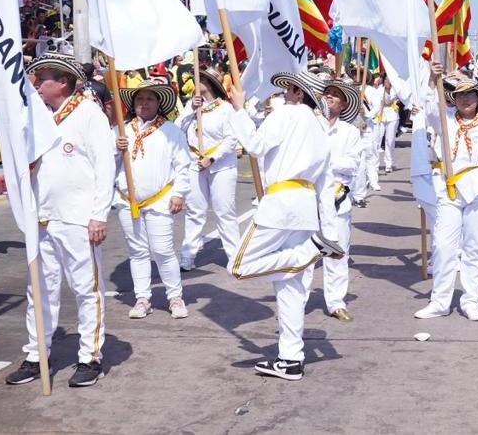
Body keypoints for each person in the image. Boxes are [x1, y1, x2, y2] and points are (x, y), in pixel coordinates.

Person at [6, 53, 115, 388]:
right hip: (41, 217)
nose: (37, 84)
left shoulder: (87, 112)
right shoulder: (35, 117)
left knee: (86, 288)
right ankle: (37, 353)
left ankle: (89, 357)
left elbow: (105, 164)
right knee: (39, 291)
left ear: (63, 82)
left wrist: (99, 214)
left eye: (43, 78)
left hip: (78, 218)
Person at [226, 71, 343, 381]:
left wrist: (238, 109)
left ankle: (306, 254)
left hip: (281, 203)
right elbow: (324, 183)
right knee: (289, 287)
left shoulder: (287, 113)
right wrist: (327, 229)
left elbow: (254, 144)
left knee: (239, 266)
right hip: (304, 205)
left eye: (287, 90)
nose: (281, 95)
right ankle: (290, 358)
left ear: (297, 93)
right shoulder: (320, 128)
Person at [417, 66, 478, 321]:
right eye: (460, 95)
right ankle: (440, 302)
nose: (465, 99)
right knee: (443, 247)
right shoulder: (444, 120)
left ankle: (471, 300)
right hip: (449, 190)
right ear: (454, 99)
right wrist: (433, 80)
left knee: (476, 247)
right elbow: (430, 107)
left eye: (470, 95)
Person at [113, 79, 191, 320]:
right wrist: (116, 148)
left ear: (159, 103)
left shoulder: (170, 131)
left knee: (163, 250)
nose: (143, 103)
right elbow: (104, 162)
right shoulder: (121, 131)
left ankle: (175, 297)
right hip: (128, 201)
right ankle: (142, 298)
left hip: (160, 200)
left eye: (149, 99)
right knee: (137, 251)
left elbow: (183, 164)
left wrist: (179, 193)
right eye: (139, 99)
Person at [304, 78, 366, 321]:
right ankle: (299, 299)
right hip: (307, 197)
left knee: (337, 250)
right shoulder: (308, 124)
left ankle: (336, 302)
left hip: (336, 197)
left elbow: (351, 165)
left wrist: (322, 162)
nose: (329, 96)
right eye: (326, 92)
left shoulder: (350, 132)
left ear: (343, 104)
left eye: (335, 95)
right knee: (304, 252)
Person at [175, 68, 241, 271]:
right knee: (195, 211)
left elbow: (231, 139)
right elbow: (176, 130)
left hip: (221, 165)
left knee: (224, 212)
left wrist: (212, 158)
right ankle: (188, 256)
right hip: (195, 163)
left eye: (201, 79)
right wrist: (190, 111)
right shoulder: (191, 106)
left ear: (210, 84)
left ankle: (235, 258)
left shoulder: (225, 109)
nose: (196, 82)